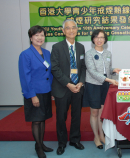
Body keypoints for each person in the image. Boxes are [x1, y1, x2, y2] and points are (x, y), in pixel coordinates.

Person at [51, 19, 86, 155]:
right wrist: (68, 84)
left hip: (78, 87)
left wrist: (80, 83)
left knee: (76, 115)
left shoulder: (81, 47)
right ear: (63, 31)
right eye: (68, 28)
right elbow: (55, 68)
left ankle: (75, 140)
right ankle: (61, 143)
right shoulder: (57, 47)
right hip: (62, 88)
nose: (71, 30)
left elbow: (83, 67)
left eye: (73, 28)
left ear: (77, 30)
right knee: (61, 117)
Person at [18, 25, 53, 158]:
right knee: (36, 121)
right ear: (31, 37)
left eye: (42, 35)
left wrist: (53, 89)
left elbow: (50, 73)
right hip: (34, 92)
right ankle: (38, 146)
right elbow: (25, 77)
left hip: (46, 91)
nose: (40, 38)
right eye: (37, 35)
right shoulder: (25, 54)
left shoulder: (47, 53)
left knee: (42, 119)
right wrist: (32, 95)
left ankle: (41, 143)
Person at [83, 29, 120, 149]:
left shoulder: (108, 53)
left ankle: (102, 135)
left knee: (101, 113)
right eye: (97, 37)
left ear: (105, 39)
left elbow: (107, 70)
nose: (99, 40)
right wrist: (109, 80)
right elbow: (92, 72)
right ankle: (96, 137)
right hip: (93, 85)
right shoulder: (89, 53)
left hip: (105, 86)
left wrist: (113, 70)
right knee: (94, 112)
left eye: (102, 37)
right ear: (93, 39)